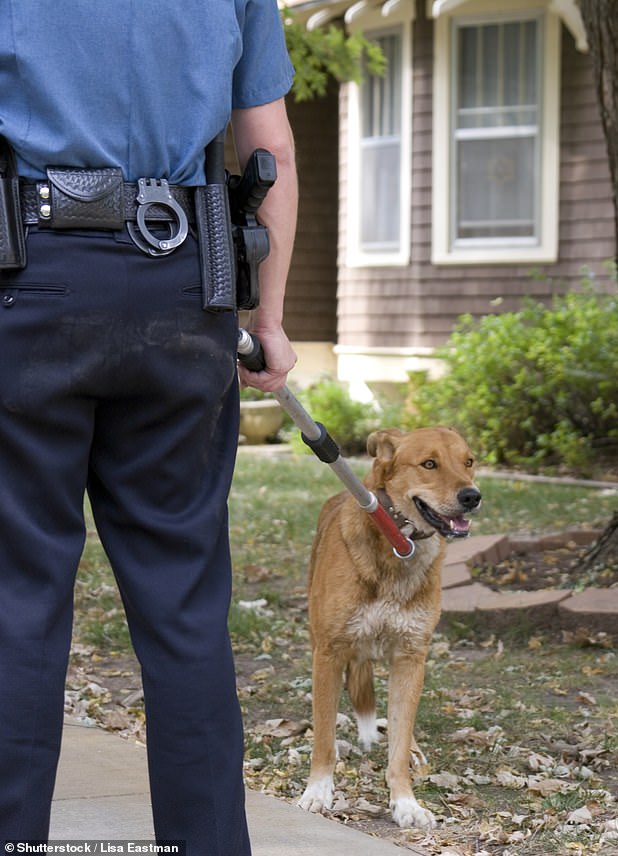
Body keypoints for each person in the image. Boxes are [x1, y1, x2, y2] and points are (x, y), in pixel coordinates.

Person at [0, 3, 297, 855]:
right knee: (185, 609)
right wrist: (267, 319)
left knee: (16, 601)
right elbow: (267, 140)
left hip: (29, 277)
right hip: (183, 284)